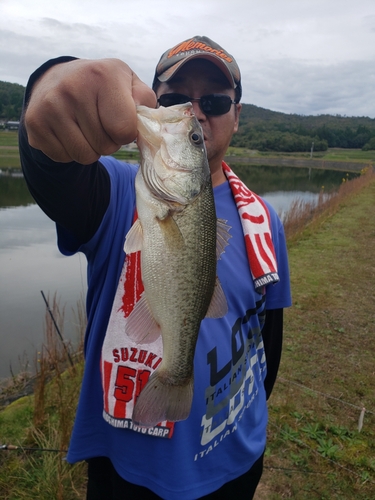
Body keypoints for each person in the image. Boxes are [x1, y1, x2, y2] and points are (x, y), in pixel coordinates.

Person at [19, 35, 291, 499]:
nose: (196, 112)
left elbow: (267, 337)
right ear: (151, 102)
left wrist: (253, 412)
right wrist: (51, 83)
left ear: (238, 116)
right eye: (176, 99)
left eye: (214, 101)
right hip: (130, 474)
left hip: (238, 458)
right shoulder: (122, 191)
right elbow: (56, 174)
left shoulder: (263, 220)